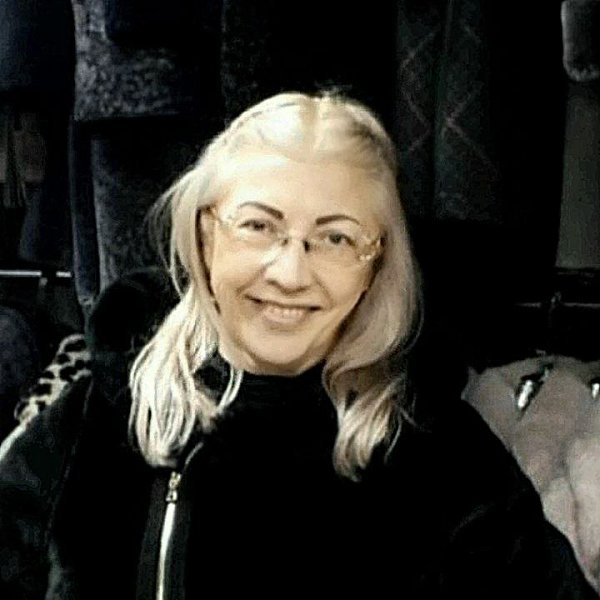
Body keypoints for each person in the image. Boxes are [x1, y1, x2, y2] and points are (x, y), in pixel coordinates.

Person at [0, 92, 596, 600]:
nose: (289, 273)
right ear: (206, 235)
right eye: (258, 226)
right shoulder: (97, 420)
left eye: (335, 238)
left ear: (375, 264)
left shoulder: (442, 458)